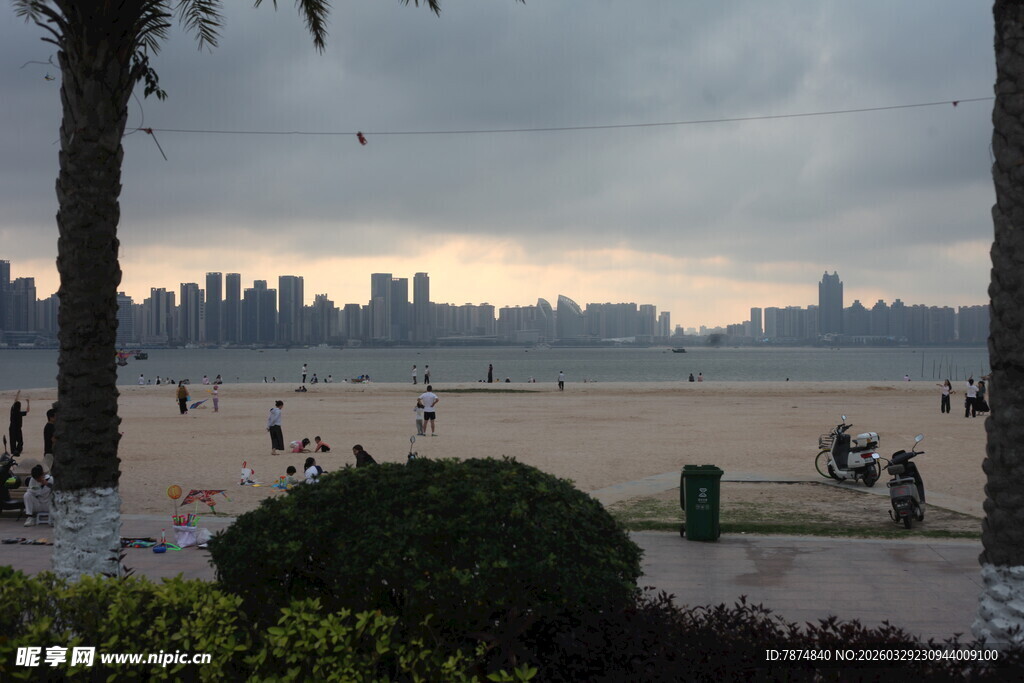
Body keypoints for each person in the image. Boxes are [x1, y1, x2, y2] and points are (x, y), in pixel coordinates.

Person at [9, 392, 29, 457]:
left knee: (13, 440)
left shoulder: (12, 411)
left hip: (12, 427)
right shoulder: (19, 413)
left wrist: (18, 394)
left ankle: (13, 450)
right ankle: (18, 450)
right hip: (17, 428)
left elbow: (15, 401)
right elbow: (27, 411)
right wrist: (28, 403)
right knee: (20, 441)